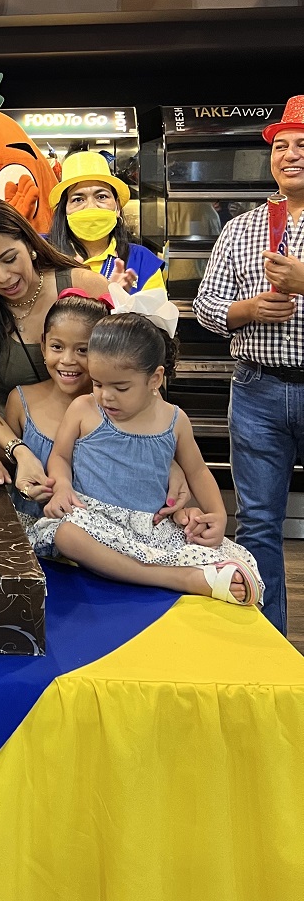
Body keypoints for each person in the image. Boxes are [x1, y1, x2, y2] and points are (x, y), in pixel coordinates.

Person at [32, 313, 263, 607]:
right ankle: (181, 578)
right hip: (92, 519)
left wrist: (217, 514)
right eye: (98, 383)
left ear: (154, 378)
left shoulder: (174, 420)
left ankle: (185, 571)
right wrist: (62, 485)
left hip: (150, 527)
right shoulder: (83, 409)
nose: (106, 397)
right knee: (66, 535)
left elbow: (198, 471)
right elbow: (61, 456)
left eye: (121, 387)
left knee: (233, 559)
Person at [193, 95, 304, 633]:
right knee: (259, 526)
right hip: (257, 390)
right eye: (280, 145)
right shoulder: (242, 229)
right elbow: (208, 307)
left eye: (302, 144)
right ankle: (274, 646)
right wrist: (249, 309)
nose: (289, 154)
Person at [0, 198, 114, 491]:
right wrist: (16, 450)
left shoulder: (86, 287)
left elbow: (131, 371)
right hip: (17, 451)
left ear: (29, 244)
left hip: (98, 445)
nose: (3, 277)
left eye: (9, 259)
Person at [0, 292, 112, 512]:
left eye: (83, 350)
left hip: (95, 532)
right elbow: (7, 462)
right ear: (43, 346)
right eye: (57, 347)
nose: (67, 360)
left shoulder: (113, 407)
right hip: (29, 528)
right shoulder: (20, 401)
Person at [47, 150, 165, 294]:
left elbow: (156, 315)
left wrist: (120, 301)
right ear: (64, 211)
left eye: (102, 196)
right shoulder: (42, 254)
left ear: (117, 208)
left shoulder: (142, 261)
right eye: (78, 199)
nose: (91, 206)